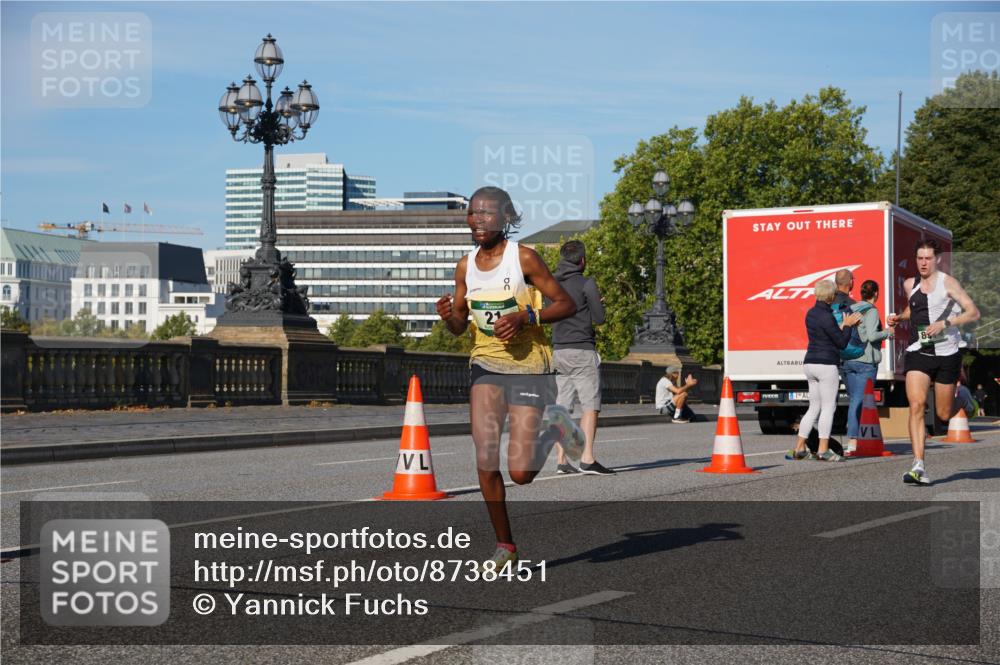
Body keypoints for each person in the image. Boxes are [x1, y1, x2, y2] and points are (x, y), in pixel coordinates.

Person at [435, 186, 581, 571]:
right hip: (485, 363)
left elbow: (567, 303)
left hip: (529, 365)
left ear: (504, 218)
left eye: (485, 214)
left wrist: (526, 317)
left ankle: (556, 429)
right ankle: (506, 546)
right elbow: (457, 327)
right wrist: (448, 313)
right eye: (471, 213)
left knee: (521, 473)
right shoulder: (465, 265)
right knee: (485, 457)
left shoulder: (525, 259)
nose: (477, 220)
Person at [887, 238, 980, 485]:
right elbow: (913, 309)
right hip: (920, 350)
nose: (924, 263)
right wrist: (899, 318)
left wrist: (945, 323)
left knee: (942, 413)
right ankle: (918, 465)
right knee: (916, 404)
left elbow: (973, 312)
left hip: (948, 353)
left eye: (928, 258)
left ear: (937, 259)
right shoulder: (911, 284)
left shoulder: (948, 283)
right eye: (920, 258)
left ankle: (963, 400)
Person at [550, 240, 614, 476]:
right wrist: (595, 303)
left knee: (562, 406)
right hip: (582, 350)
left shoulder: (552, 284)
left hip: (558, 350)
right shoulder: (587, 283)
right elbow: (599, 318)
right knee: (590, 405)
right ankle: (587, 459)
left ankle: (562, 460)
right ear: (583, 260)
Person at [786, 279, 862, 462]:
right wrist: (850, 325)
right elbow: (841, 343)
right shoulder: (828, 316)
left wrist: (843, 326)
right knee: (829, 407)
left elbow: (828, 335)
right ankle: (823, 450)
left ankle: (799, 448)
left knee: (814, 407)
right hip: (826, 364)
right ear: (831, 296)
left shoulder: (811, 313)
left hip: (810, 363)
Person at [841, 280, 895, 452]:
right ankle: (853, 441)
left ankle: (854, 439)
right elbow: (872, 336)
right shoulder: (871, 311)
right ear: (876, 293)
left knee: (854, 400)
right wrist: (888, 332)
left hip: (849, 360)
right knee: (860, 401)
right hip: (865, 362)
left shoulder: (853, 308)